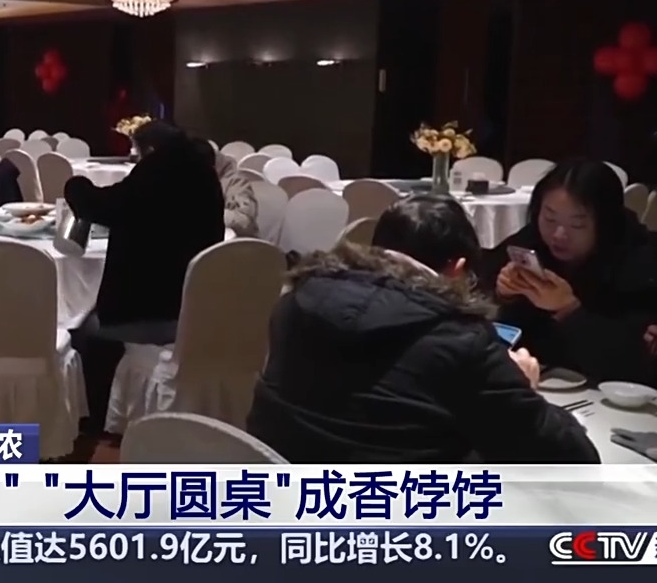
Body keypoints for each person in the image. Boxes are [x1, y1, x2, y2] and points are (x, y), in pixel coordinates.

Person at [247, 195, 599, 463]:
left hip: (281, 505)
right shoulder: (460, 341)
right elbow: (570, 457)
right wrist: (523, 388)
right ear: (457, 269)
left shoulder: (297, 301)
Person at [64, 120, 225, 432]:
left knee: (81, 328)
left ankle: (95, 419)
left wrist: (75, 185)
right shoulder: (203, 173)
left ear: (149, 148)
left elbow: (102, 206)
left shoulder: (155, 172)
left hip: (151, 312)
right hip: (195, 310)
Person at [482, 159, 657, 386]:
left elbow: (632, 363)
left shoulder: (639, 263)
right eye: (549, 218)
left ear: (606, 224)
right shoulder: (531, 242)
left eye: (577, 225)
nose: (559, 234)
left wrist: (568, 310)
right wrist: (505, 294)